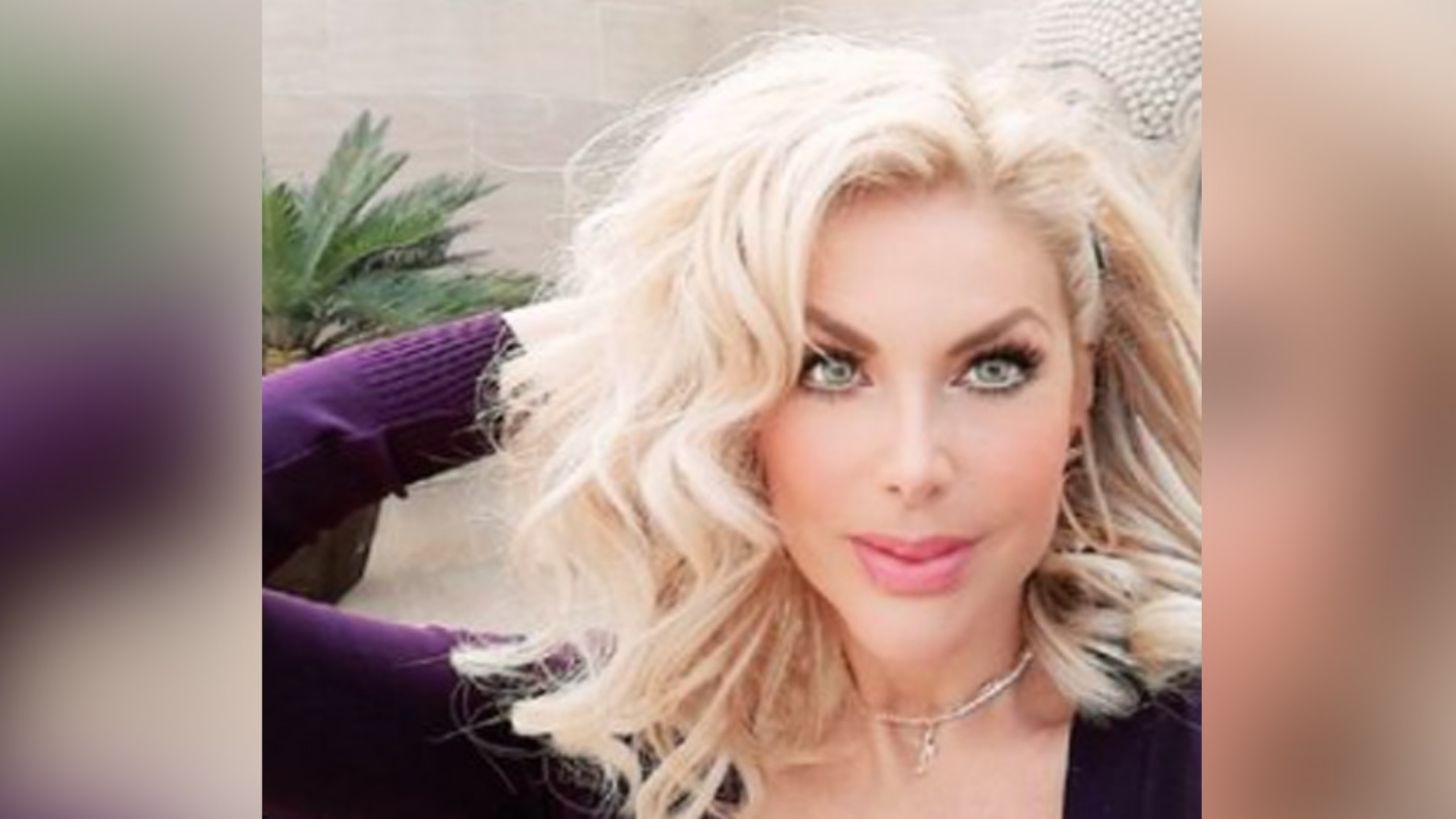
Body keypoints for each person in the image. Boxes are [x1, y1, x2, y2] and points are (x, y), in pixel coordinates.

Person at [265, 35, 1200, 819]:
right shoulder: (599, 755)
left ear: (1081, 389)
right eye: (827, 367)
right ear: (728, 402)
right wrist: (596, 340)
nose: (916, 464)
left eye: (993, 368)